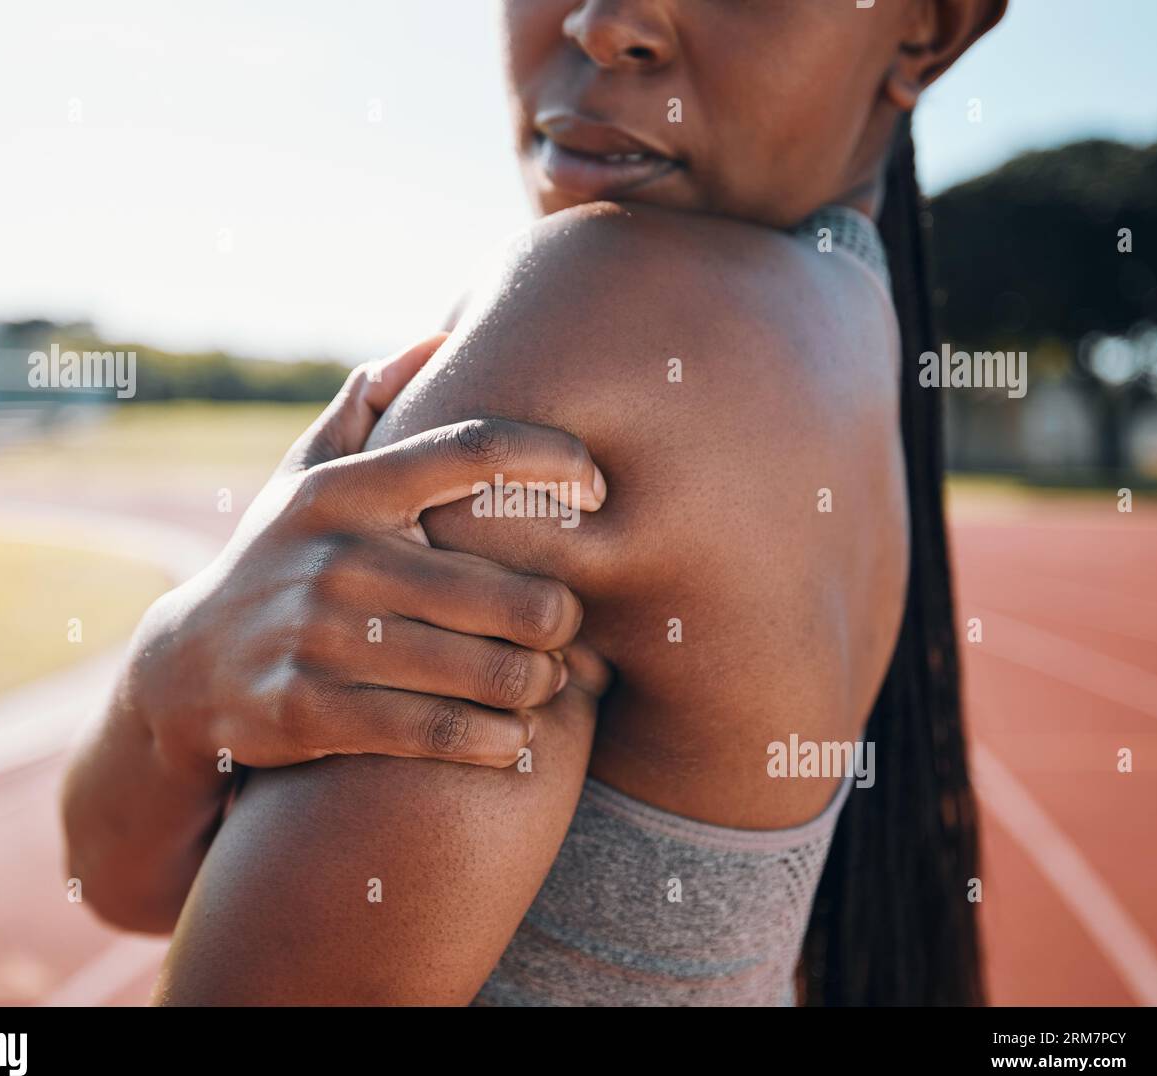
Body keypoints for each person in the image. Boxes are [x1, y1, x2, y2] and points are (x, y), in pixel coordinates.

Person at [63, 0, 1007, 1006]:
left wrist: (169, 690)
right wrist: (177, 677)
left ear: (927, 32)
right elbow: (140, 883)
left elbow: (133, 880)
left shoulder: (606, 319)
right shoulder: (853, 345)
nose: (605, 25)